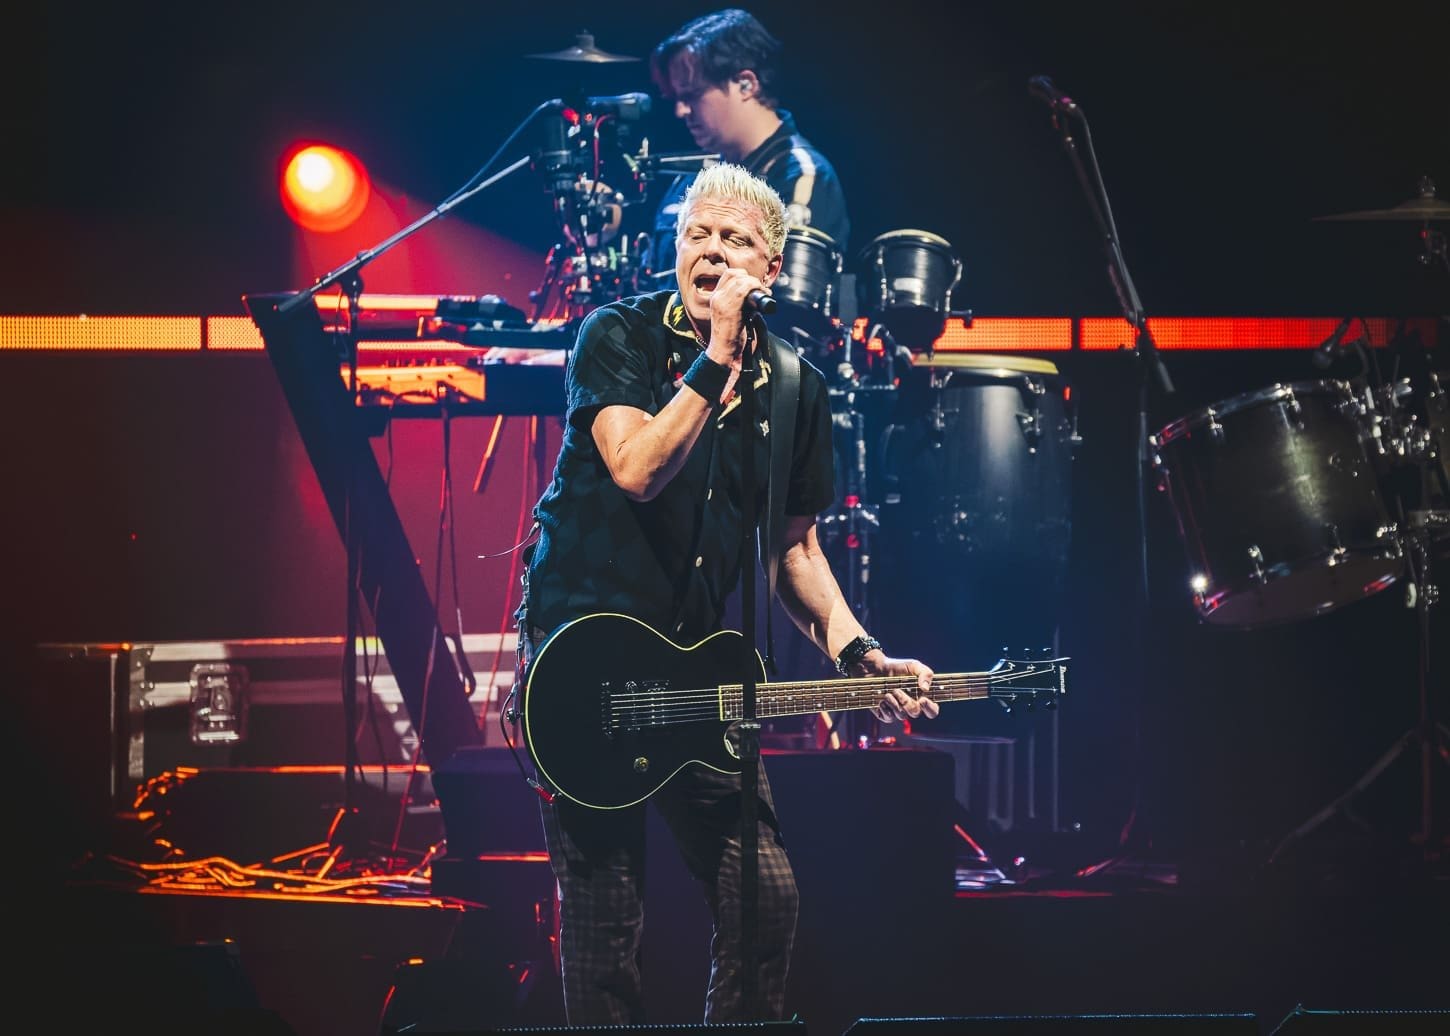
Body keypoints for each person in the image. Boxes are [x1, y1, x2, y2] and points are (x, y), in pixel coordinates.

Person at [512, 162, 938, 1025]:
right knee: (605, 916)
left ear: (770, 270)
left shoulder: (795, 388)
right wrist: (713, 362)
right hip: (584, 658)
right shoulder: (617, 334)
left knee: (763, 892)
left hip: (695, 671)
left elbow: (795, 552)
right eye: (696, 236)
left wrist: (859, 651)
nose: (710, 253)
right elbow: (635, 468)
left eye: (734, 240)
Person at [645, 9, 850, 288]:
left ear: (746, 84)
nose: (680, 110)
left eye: (692, 95)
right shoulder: (694, 178)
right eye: (677, 98)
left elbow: (785, 306)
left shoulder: (801, 177)